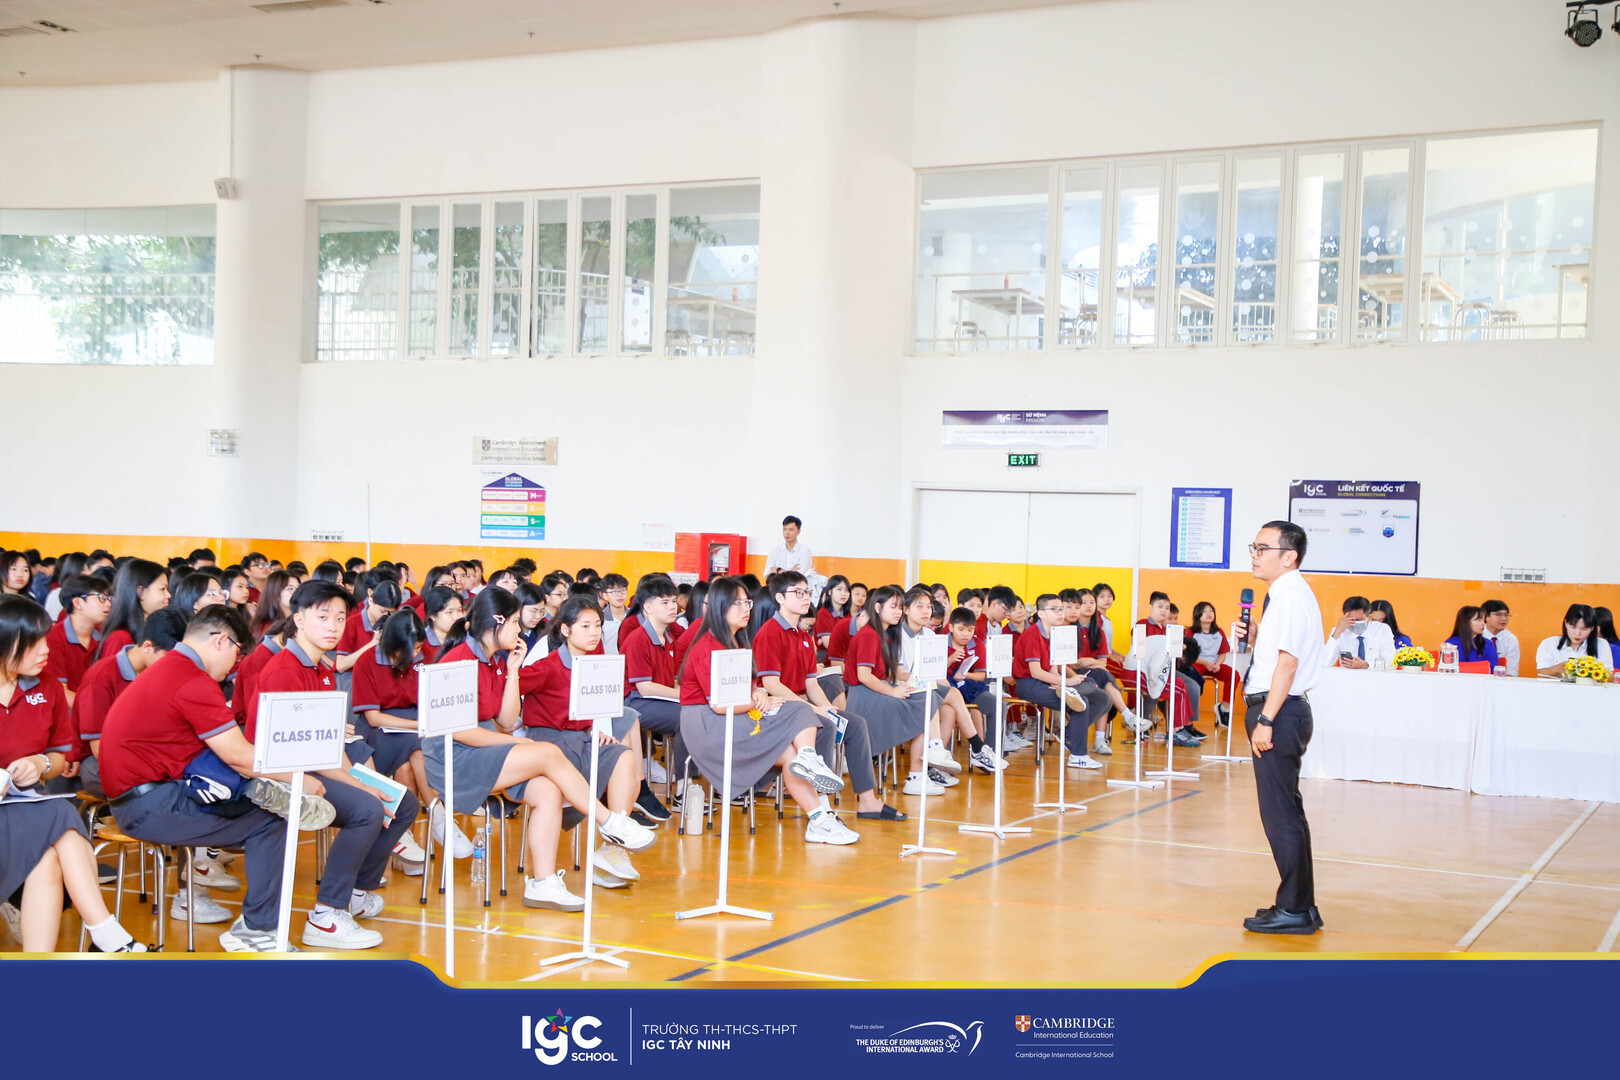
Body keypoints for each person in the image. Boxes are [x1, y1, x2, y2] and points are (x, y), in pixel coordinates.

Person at [101, 604, 335, 952]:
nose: (234, 666)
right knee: (272, 820)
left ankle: (256, 793)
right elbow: (237, 754)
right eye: (237, 655)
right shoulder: (192, 681)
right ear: (221, 641)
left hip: (149, 794)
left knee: (246, 791)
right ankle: (256, 929)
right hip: (150, 804)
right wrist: (297, 777)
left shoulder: (170, 669)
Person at [247, 580, 417, 950]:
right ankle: (325, 915)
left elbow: (326, 744)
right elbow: (295, 752)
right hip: (280, 775)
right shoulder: (284, 671)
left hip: (315, 764)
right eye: (323, 617)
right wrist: (360, 787)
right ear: (298, 619)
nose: (333, 626)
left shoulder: (321, 668)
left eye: (340, 618)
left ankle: (355, 892)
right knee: (368, 808)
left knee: (402, 802)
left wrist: (360, 778)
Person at [0, 596, 149, 953]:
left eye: (45, 639)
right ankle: (106, 933)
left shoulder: (47, 686)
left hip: (22, 806)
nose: (45, 650)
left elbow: (57, 756)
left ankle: (42, 962)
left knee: (48, 858)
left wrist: (39, 764)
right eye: (32, 643)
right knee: (59, 816)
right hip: (21, 816)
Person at [679, 576, 850, 838]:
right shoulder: (708, 646)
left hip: (735, 715)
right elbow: (720, 705)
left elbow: (744, 688)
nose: (746, 609)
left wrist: (758, 692)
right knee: (799, 710)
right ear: (719, 606)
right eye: (737, 603)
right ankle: (809, 762)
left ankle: (818, 818)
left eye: (747, 602)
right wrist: (762, 701)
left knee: (793, 750)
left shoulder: (734, 641)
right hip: (709, 725)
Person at [513, 594, 661, 887]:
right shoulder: (547, 666)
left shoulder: (597, 662)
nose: (594, 632)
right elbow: (511, 687)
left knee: (624, 756)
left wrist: (594, 729)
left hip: (582, 739)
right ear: (565, 630)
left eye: (597, 625)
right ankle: (612, 834)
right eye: (585, 626)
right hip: (550, 743)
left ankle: (612, 848)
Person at [1233, 521, 1325, 935]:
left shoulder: (1291, 596)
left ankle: (1293, 908)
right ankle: (1300, 905)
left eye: (1263, 548)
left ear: (1289, 556)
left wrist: (1266, 719)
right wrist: (1256, 637)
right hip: (1281, 709)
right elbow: (1278, 655)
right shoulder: (1284, 596)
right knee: (1287, 811)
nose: (1254, 555)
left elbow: (1288, 665)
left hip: (1280, 712)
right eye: (1253, 547)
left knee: (1280, 815)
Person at [757, 571, 904, 824]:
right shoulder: (770, 633)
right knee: (823, 725)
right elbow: (771, 684)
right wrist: (812, 709)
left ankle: (867, 801)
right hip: (777, 705)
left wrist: (826, 707)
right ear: (780, 597)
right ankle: (821, 806)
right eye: (798, 592)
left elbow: (811, 683)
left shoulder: (804, 636)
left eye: (807, 592)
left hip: (801, 704)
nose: (805, 597)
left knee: (854, 723)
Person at [845, 585, 944, 797]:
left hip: (876, 690)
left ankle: (926, 761)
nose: (898, 612)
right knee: (924, 703)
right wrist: (893, 692)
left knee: (929, 695)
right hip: (864, 697)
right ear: (878, 607)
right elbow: (864, 676)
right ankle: (921, 768)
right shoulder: (869, 635)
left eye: (900, 607)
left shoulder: (884, 634)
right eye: (893, 607)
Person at [1013, 594, 1110, 770]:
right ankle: (1078, 756)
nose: (1060, 613)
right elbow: (1036, 672)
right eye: (1055, 609)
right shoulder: (1032, 634)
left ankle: (1068, 734)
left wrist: (1062, 683)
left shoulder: (1056, 634)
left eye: (1061, 609)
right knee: (1080, 702)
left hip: (1047, 681)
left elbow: (1053, 668)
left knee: (1102, 697)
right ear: (1041, 613)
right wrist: (1067, 682)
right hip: (1029, 684)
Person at [616, 575, 683, 822]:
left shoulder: (669, 639)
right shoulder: (638, 639)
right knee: (687, 717)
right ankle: (683, 787)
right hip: (634, 702)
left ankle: (686, 784)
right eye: (664, 602)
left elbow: (671, 681)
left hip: (659, 699)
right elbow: (644, 688)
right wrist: (683, 695)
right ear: (647, 607)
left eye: (674, 601)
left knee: (696, 713)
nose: (672, 607)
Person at [1130, 592, 1203, 745]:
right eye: (1160, 606)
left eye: (1167, 608)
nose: (1164, 610)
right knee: (1158, 688)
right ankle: (1146, 724)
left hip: (1165, 670)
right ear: (1150, 607)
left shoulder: (1168, 629)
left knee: (1192, 685)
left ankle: (1185, 726)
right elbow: (1140, 653)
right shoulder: (1141, 625)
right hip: (1145, 671)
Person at [43, 574, 111, 704]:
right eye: (101, 598)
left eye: (108, 598)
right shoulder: (54, 638)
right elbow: (60, 692)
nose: (108, 604)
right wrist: (94, 708)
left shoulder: (103, 635)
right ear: (78, 603)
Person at [95, 558, 169, 661]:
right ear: (141, 592)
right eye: (162, 589)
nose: (168, 595)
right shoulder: (119, 638)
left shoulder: (150, 630)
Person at [1187, 601, 1236, 725]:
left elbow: (1223, 653)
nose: (1209, 614)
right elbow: (1188, 655)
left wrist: (1217, 664)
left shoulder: (1219, 632)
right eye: (1204, 611)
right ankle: (1189, 715)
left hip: (1214, 665)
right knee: (1192, 676)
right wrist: (1205, 663)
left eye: (1211, 611)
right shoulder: (1191, 632)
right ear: (1198, 615)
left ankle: (1224, 708)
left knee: (1234, 675)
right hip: (1198, 662)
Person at [1324, 596, 1396, 669]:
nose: (1354, 623)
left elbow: (1391, 663)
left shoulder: (1382, 630)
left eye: (1359, 620)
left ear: (1369, 618)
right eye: (1351, 620)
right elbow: (1325, 662)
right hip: (1347, 675)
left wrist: (1366, 665)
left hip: (1375, 675)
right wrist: (1336, 633)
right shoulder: (1339, 631)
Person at [1535, 604, 1602, 675]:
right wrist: (1557, 669)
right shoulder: (1550, 643)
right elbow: (1541, 673)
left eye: (1584, 629)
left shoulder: (1601, 645)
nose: (1577, 633)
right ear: (1566, 623)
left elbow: (1608, 676)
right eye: (1573, 627)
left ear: (1592, 628)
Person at [419, 585, 463, 664]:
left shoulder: (465, 639)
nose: (457, 617)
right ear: (432, 615)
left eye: (459, 610)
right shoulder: (420, 644)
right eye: (450, 612)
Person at [1481, 600, 1520, 676]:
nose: (1504, 619)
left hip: (1503, 681)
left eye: (1506, 615)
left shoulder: (1511, 639)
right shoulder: (1476, 636)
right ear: (1486, 616)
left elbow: (1512, 671)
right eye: (1498, 615)